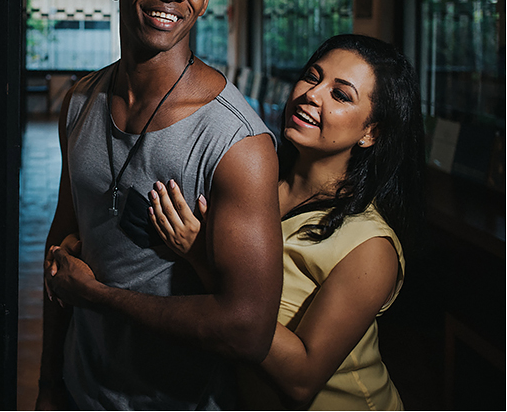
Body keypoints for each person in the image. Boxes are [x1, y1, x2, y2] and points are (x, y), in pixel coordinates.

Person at [37, 0, 283, 410]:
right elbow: (61, 258)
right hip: (82, 391)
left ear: (206, 0)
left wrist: (99, 297)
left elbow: (249, 332)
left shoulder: (237, 142)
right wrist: (48, 385)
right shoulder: (82, 102)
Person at [149, 34, 425, 410]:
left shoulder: (370, 246)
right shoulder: (253, 186)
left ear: (370, 132)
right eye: (312, 77)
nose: (313, 94)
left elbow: (301, 380)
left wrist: (203, 259)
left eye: (340, 95)